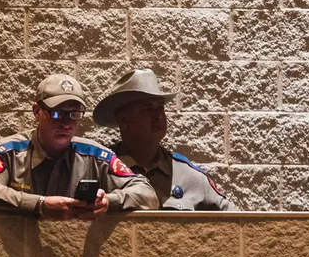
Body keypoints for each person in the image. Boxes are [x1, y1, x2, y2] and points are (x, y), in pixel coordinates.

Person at [0, 74, 159, 217]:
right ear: (37, 111)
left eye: (74, 114)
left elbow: (147, 195)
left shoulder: (96, 156)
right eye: (57, 113)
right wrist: (39, 204)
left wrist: (108, 202)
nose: (66, 123)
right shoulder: (8, 153)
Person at [94, 69, 232, 210]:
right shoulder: (100, 169)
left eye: (160, 108)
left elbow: (236, 222)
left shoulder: (187, 175)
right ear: (123, 120)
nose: (158, 116)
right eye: (147, 109)